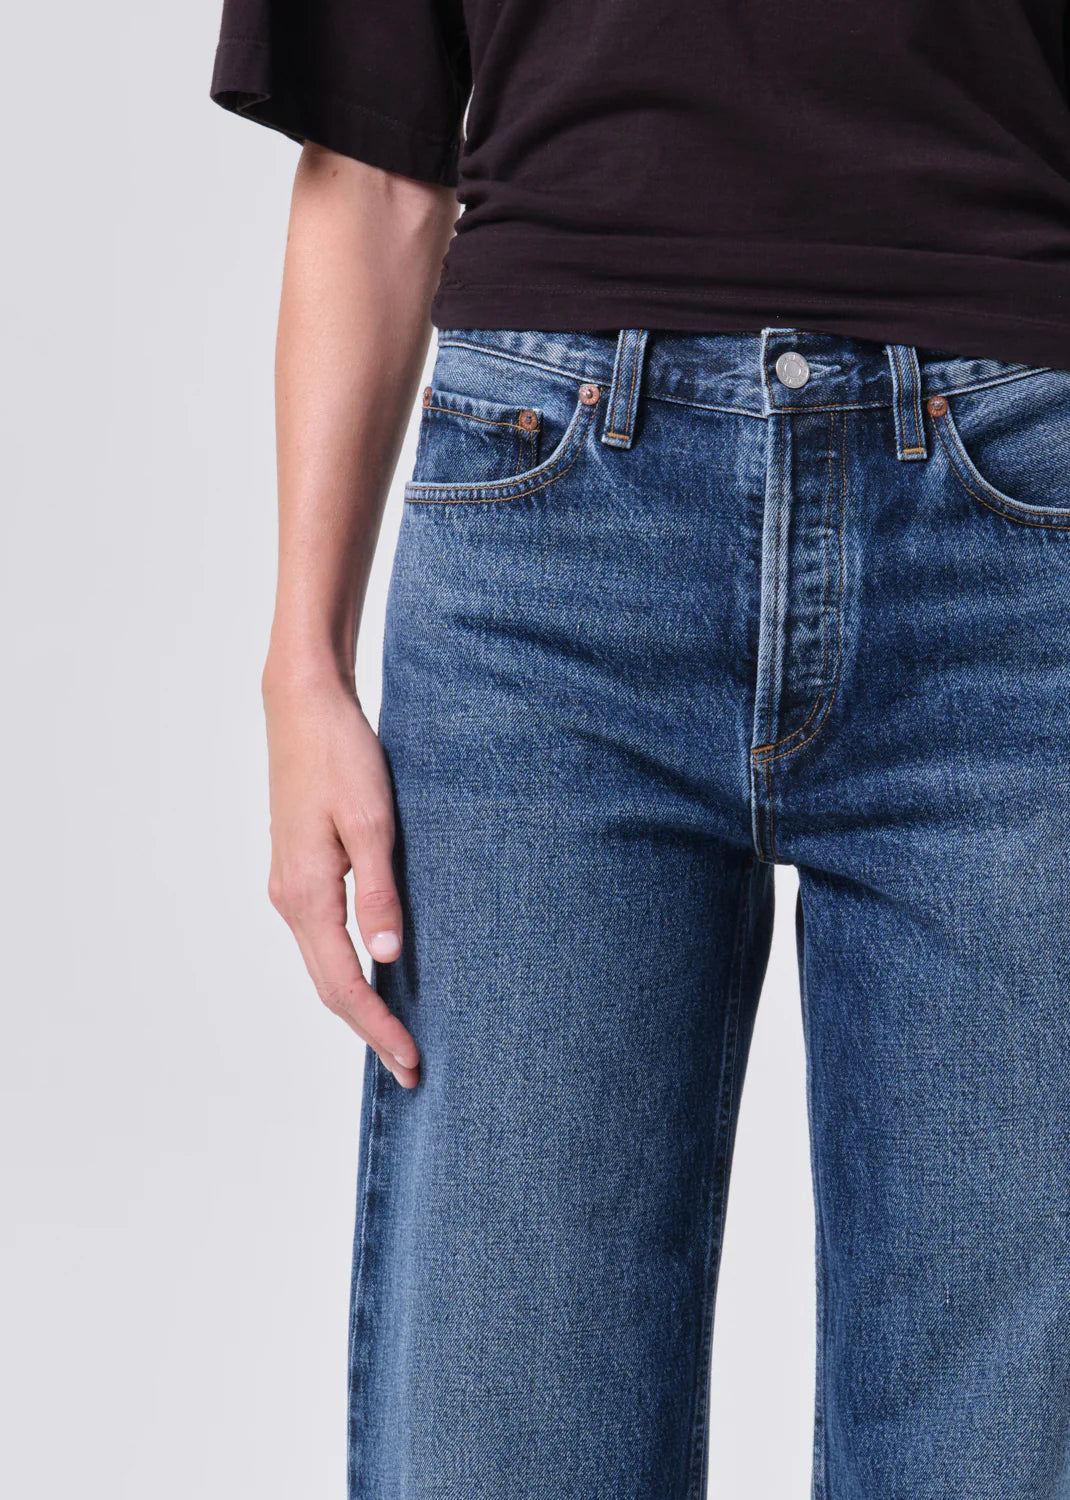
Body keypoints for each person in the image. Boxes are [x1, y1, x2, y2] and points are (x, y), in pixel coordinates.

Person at [209, 3, 1070, 1495]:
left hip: (1019, 533)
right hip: (550, 555)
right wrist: (303, 667)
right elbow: (375, 157)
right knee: (503, 1432)